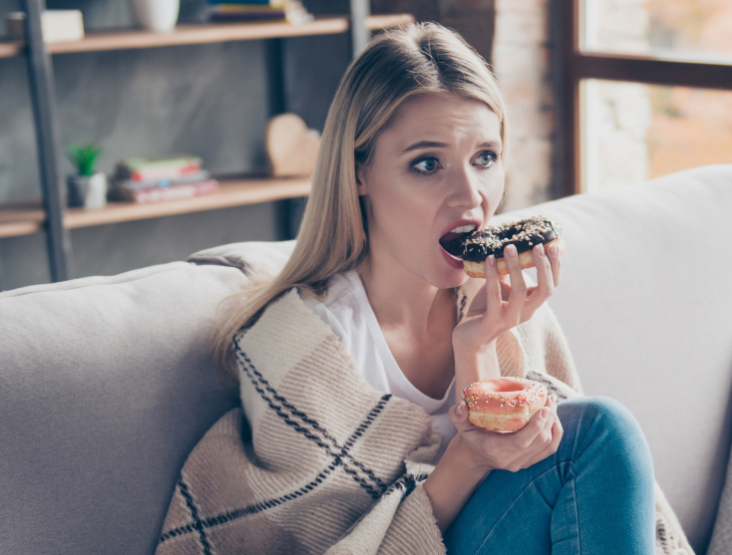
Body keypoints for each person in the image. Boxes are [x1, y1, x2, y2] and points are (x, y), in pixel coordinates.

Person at [157, 22, 682, 555]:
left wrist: (476, 344)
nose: (470, 197)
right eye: (427, 164)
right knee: (597, 430)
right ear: (359, 171)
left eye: (485, 158)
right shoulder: (304, 349)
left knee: (593, 433)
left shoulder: (507, 307)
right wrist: (467, 459)